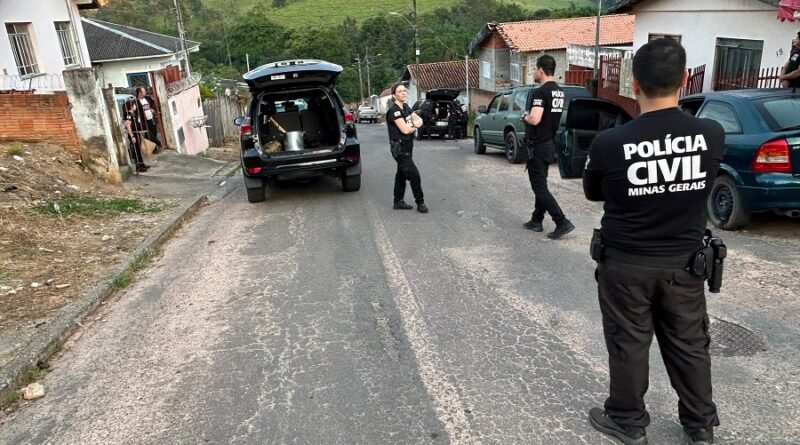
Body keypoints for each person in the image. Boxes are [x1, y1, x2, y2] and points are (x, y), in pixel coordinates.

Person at [583, 39, 724, 445]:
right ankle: (700, 425)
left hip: (626, 264)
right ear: (684, 79)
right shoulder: (711, 134)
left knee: (628, 343)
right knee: (690, 344)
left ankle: (627, 421)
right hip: (685, 264)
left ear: (634, 83)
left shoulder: (610, 143)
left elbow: (593, 191)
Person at [521, 55, 574, 239]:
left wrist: (525, 117)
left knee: (539, 187)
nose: (534, 72)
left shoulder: (541, 92)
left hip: (539, 145)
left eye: (535, 69)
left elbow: (535, 119)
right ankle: (536, 220)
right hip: (549, 143)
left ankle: (561, 221)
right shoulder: (559, 91)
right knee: (541, 184)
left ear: (541, 70)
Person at [386, 82, 427, 213]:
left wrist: (414, 124)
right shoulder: (394, 111)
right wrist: (415, 126)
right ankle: (420, 202)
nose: (403, 93)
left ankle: (398, 201)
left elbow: (418, 119)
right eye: (400, 91)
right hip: (400, 149)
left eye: (404, 91)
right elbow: (405, 130)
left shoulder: (406, 107)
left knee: (401, 174)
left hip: (408, 147)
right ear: (394, 95)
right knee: (414, 175)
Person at [123, 99, 149, 173]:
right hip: (133, 134)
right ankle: (138, 167)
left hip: (137, 133)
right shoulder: (128, 115)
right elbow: (128, 126)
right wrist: (132, 136)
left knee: (138, 150)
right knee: (136, 150)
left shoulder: (133, 114)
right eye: (134, 105)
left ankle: (142, 164)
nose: (135, 106)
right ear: (131, 106)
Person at [134, 86, 163, 153]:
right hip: (143, 121)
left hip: (150, 118)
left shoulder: (148, 98)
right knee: (149, 135)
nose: (145, 92)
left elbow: (153, 105)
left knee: (154, 132)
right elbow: (135, 112)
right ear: (139, 93)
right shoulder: (135, 102)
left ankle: (155, 146)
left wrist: (156, 110)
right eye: (144, 91)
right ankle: (157, 145)